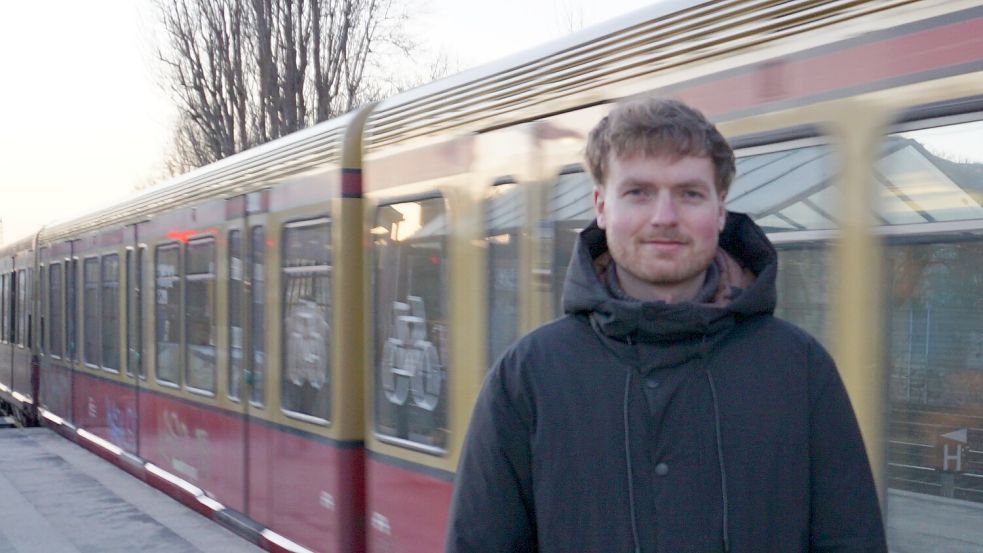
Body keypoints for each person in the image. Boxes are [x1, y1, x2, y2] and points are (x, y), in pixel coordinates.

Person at [445, 97, 887, 552]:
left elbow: (851, 539)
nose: (664, 217)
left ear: (719, 210)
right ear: (601, 206)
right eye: (638, 192)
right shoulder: (527, 378)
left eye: (689, 193)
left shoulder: (799, 370)